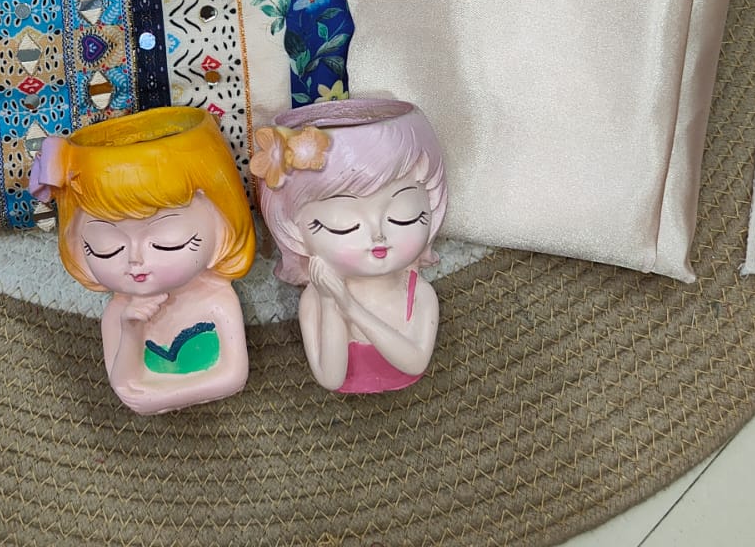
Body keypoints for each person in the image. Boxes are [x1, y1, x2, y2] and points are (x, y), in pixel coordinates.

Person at [29, 107, 255, 414]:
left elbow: (233, 376)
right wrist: (132, 328)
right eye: (107, 248)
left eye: (166, 243)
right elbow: (124, 386)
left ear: (222, 223)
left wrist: (159, 397)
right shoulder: (119, 314)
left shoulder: (216, 299)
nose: (135, 260)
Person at [252, 97, 447, 393]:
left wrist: (350, 307)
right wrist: (330, 302)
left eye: (403, 217)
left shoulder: (418, 293)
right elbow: (331, 378)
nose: (378, 236)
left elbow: (416, 362)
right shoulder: (315, 300)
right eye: (344, 227)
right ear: (294, 230)